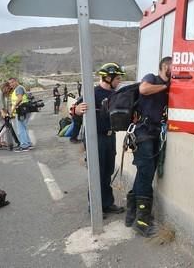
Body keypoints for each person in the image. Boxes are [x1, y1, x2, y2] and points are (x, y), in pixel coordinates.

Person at [126, 56, 172, 237]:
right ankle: (142, 221)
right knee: (146, 174)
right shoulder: (152, 78)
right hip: (142, 134)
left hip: (153, 134)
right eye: (173, 66)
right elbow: (143, 89)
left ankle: (131, 214)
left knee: (144, 173)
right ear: (165, 66)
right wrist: (165, 87)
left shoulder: (169, 86)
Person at [73, 62, 126, 216]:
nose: (119, 81)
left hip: (110, 137)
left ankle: (107, 203)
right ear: (108, 78)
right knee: (96, 172)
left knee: (107, 171)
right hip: (95, 138)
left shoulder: (116, 94)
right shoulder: (93, 93)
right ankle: (95, 206)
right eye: (117, 78)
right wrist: (77, 110)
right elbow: (75, 111)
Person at [8, 77, 33, 152]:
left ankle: (24, 146)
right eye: (10, 83)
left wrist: (12, 109)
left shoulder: (18, 88)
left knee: (20, 129)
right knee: (23, 128)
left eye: (12, 82)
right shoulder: (18, 88)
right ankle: (28, 143)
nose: (11, 84)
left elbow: (20, 99)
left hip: (21, 111)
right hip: (23, 111)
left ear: (16, 81)